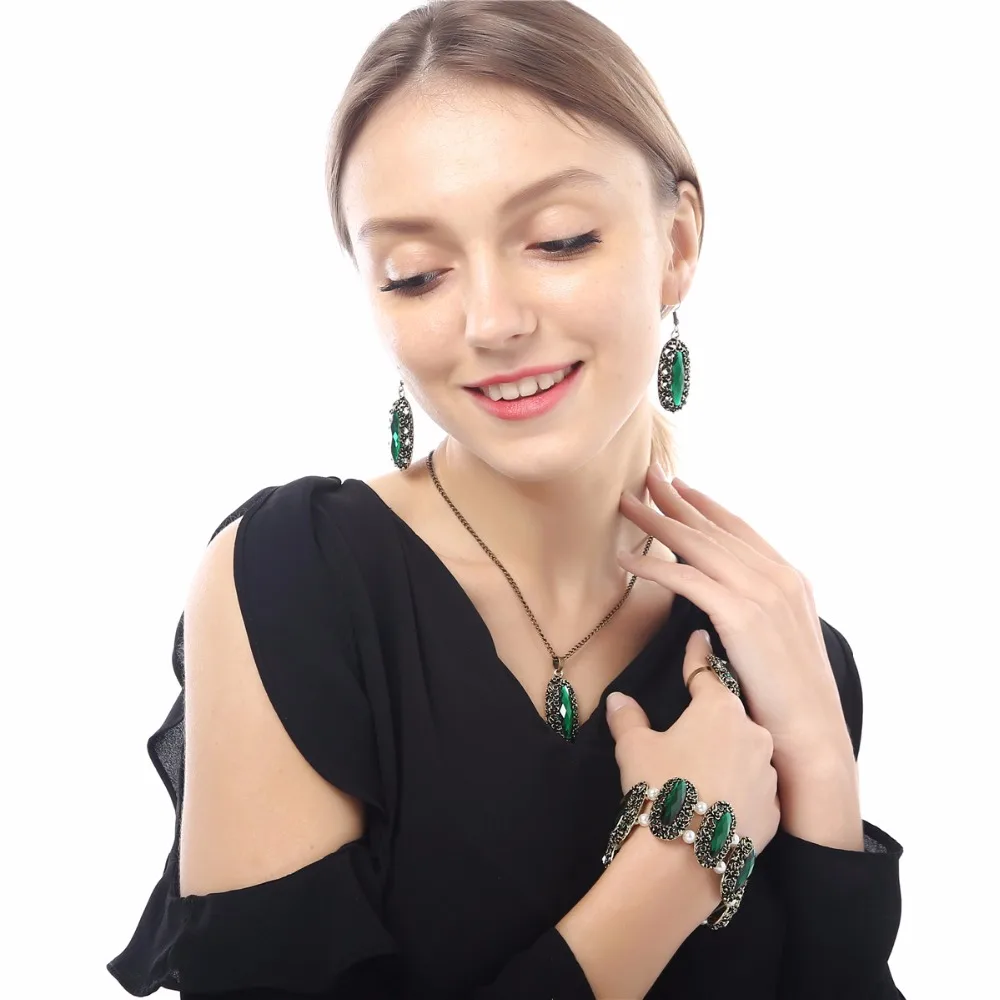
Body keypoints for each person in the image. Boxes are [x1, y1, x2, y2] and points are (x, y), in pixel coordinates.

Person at [106, 2, 904, 997]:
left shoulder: (784, 651)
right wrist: (675, 862)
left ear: (677, 243)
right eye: (415, 275)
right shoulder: (294, 582)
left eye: (558, 241)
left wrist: (820, 762)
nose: (489, 321)